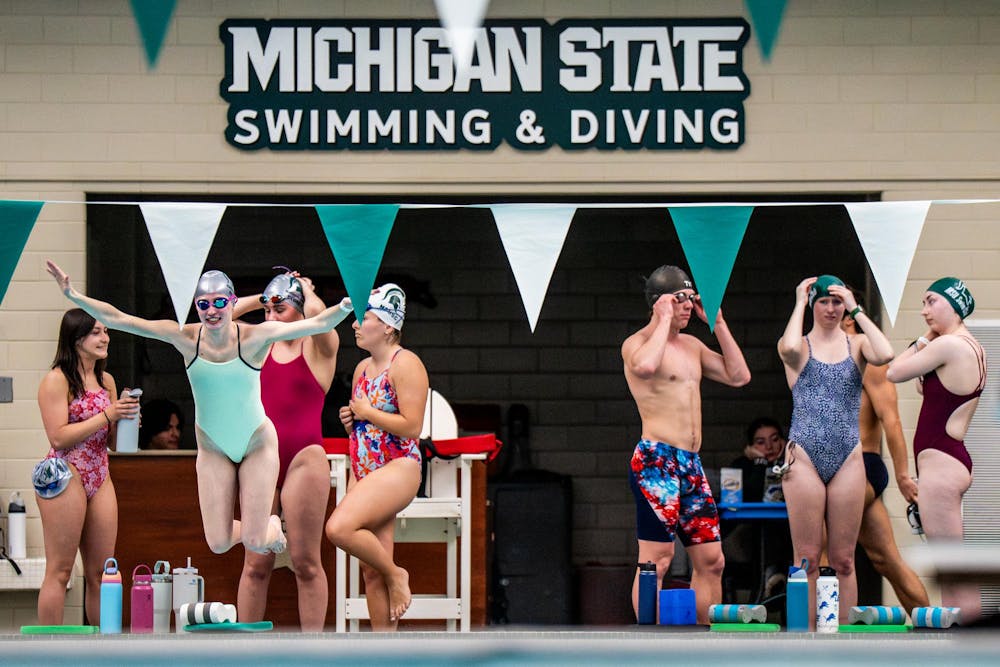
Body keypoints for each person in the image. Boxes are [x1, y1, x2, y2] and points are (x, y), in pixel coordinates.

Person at [45, 259, 351, 557]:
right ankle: (264, 527)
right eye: (203, 304)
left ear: (233, 302)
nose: (211, 310)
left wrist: (347, 307)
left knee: (257, 542)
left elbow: (318, 323)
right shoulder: (186, 338)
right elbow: (120, 320)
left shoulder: (255, 336)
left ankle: (269, 528)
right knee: (218, 544)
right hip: (213, 445)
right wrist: (72, 295)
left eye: (219, 302)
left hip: (257, 441)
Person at [623, 265, 751, 624]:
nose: (687, 307)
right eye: (681, 299)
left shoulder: (693, 346)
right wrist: (662, 319)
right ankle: (648, 639)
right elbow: (646, 367)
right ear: (659, 302)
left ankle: (704, 637)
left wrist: (719, 324)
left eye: (691, 300)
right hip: (656, 461)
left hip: (690, 464)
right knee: (657, 561)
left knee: (713, 560)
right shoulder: (636, 344)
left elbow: (739, 376)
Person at [777, 275, 893, 627]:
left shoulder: (856, 345)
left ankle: (846, 645)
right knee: (808, 557)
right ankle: (806, 640)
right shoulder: (799, 347)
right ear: (814, 305)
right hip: (805, 457)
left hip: (848, 456)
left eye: (837, 302)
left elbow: (886, 353)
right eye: (824, 301)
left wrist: (856, 308)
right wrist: (799, 299)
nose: (831, 308)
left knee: (844, 560)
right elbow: (787, 348)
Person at [233, 270, 339, 632]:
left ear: (299, 310)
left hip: (303, 460)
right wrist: (263, 299)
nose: (270, 318)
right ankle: (244, 652)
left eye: (280, 310)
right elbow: (217, 320)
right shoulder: (256, 345)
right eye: (267, 312)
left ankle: (313, 654)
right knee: (255, 564)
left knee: (306, 562)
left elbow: (324, 320)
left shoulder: (317, 348)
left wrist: (307, 290)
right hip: (261, 461)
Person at [325, 283, 428, 630]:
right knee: (370, 570)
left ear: (387, 325)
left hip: (399, 467)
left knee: (338, 529)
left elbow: (412, 427)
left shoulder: (407, 364)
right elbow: (365, 429)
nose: (354, 324)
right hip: (365, 470)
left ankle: (397, 574)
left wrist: (368, 412)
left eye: (362, 317)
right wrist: (351, 422)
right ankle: (384, 653)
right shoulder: (361, 370)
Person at [887, 277, 985, 622]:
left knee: (953, 564)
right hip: (948, 460)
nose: (924, 311)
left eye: (931, 302)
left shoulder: (950, 345)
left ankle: (974, 643)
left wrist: (925, 340)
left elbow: (894, 371)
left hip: (942, 466)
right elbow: (924, 385)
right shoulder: (967, 346)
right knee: (950, 563)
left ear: (954, 305)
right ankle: (955, 638)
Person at [34, 308, 139, 624]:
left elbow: (110, 442)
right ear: (75, 338)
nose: (104, 338)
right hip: (65, 474)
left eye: (106, 331)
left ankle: (103, 651)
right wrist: (108, 415)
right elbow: (59, 437)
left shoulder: (105, 380)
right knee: (61, 569)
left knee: (102, 570)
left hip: (99, 473)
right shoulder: (56, 380)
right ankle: (48, 652)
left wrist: (127, 422)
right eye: (96, 332)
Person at [841, 297, 929, 615]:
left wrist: (904, 475)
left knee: (822, 550)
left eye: (833, 304)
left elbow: (891, 420)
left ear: (850, 316)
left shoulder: (868, 359)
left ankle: (819, 643)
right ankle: (931, 626)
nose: (824, 311)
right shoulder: (818, 355)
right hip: (832, 467)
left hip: (861, 464)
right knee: (885, 559)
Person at [722, 418, 793, 602]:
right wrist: (760, 463)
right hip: (749, 533)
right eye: (761, 442)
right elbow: (750, 496)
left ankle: (775, 578)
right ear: (750, 446)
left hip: (787, 533)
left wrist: (785, 458)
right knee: (764, 527)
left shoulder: (793, 465)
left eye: (775, 439)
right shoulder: (742, 464)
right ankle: (771, 577)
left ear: (783, 442)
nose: (769, 447)